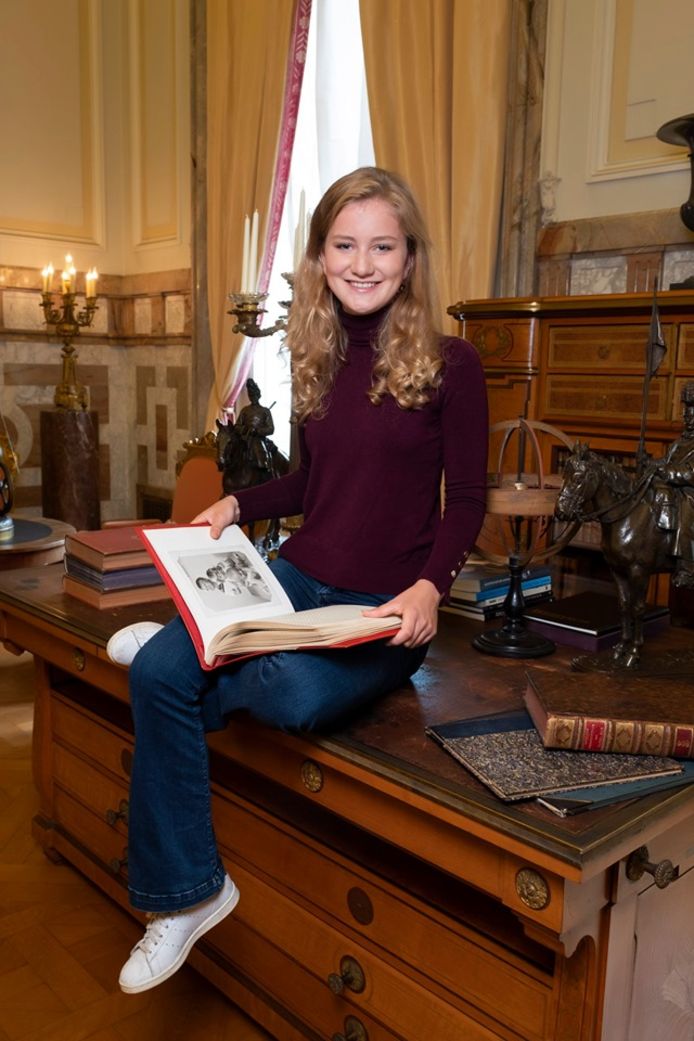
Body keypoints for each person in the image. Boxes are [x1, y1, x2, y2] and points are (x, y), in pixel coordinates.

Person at [107, 166, 489, 995]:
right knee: (155, 673)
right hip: (295, 577)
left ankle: (195, 650)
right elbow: (309, 490)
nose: (361, 262)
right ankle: (188, 895)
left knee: (286, 694)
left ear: (410, 256)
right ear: (319, 256)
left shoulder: (454, 364)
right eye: (343, 245)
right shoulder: (312, 355)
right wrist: (237, 501)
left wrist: (431, 588)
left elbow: (469, 501)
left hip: (382, 611)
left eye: (381, 245)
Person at [652, 380, 694, 587]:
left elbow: (690, 473)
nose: (688, 417)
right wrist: (652, 463)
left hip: (689, 491)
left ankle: (687, 566)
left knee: (687, 507)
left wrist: (667, 471)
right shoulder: (682, 440)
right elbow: (668, 460)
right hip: (672, 484)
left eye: (693, 412)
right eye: (686, 412)